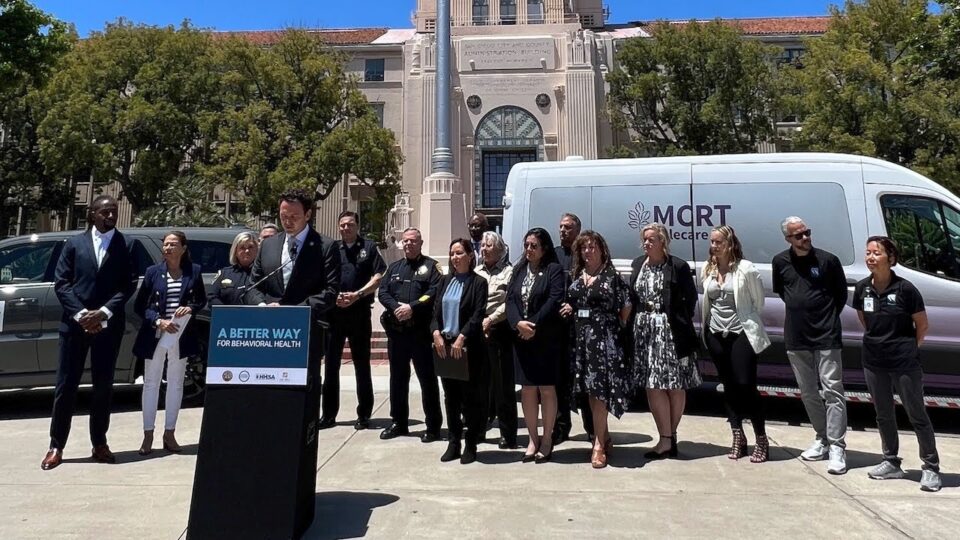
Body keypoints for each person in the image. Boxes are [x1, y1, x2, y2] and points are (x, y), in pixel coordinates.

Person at [42, 195, 136, 470]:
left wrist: (104, 312)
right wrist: (82, 315)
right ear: (92, 213)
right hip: (74, 326)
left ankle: (99, 443)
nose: (111, 216)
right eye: (105, 211)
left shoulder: (127, 244)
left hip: (108, 326)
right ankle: (56, 445)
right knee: (66, 386)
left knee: (103, 386)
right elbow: (62, 283)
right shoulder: (74, 244)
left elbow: (128, 285)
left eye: (114, 212)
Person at [853, 236, 941, 492]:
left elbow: (922, 326)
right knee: (883, 414)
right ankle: (891, 461)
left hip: (904, 362)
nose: (871, 257)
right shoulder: (862, 288)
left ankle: (931, 467)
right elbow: (865, 321)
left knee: (917, 414)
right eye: (868, 252)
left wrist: (909, 350)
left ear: (891, 259)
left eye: (876, 253)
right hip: (873, 361)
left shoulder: (906, 289)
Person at [247, 188, 340, 405]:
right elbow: (253, 285)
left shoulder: (325, 246)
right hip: (268, 333)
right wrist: (261, 305)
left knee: (303, 397)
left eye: (294, 217)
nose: (287, 222)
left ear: (308, 215)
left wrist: (294, 311)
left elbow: (330, 291)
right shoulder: (268, 245)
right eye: (283, 216)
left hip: (304, 331)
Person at [772, 217, 849, 475]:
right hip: (796, 336)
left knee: (832, 390)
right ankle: (822, 438)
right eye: (798, 235)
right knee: (807, 391)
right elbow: (783, 292)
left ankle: (837, 446)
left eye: (807, 233)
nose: (805, 238)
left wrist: (824, 317)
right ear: (788, 239)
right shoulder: (780, 262)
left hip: (826, 334)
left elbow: (840, 295)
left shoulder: (828, 261)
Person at [701, 225, 772, 463]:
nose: (714, 246)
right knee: (728, 386)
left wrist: (743, 322)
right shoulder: (708, 269)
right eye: (712, 242)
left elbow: (757, 302)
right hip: (715, 333)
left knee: (745, 385)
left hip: (741, 332)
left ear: (730, 244)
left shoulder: (746, 269)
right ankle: (737, 435)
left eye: (718, 242)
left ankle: (761, 437)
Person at [132, 231, 207, 455]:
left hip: (181, 334)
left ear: (183, 248)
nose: (168, 248)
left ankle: (170, 433)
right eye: (166, 244)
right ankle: (148, 434)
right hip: (156, 334)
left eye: (173, 244)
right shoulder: (152, 272)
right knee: (151, 382)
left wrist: (191, 308)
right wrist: (158, 321)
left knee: (175, 383)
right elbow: (140, 306)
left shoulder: (194, 271)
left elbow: (200, 300)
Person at [631, 223, 701, 461]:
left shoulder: (677, 266)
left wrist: (676, 322)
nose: (647, 244)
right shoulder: (638, 264)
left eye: (651, 239)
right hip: (644, 330)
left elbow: (690, 300)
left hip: (670, 332)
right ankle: (664, 437)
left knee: (674, 385)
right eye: (645, 240)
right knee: (652, 384)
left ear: (663, 241)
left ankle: (670, 436)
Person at [564, 231, 632, 468]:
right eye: (584, 248)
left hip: (603, 341)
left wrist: (607, 325)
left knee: (599, 393)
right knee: (589, 394)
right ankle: (603, 436)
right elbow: (573, 302)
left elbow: (625, 308)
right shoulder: (576, 275)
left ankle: (598, 445)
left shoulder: (612, 276)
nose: (588, 251)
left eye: (592, 247)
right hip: (581, 342)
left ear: (602, 250)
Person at [320, 211, 387, 431]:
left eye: (350, 224)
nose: (345, 228)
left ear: (357, 226)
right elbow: (322, 278)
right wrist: (335, 296)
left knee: (361, 366)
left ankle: (364, 414)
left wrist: (357, 294)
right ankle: (328, 415)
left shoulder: (368, 247)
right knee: (330, 366)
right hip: (334, 314)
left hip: (358, 314)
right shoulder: (332, 249)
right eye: (342, 225)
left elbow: (379, 276)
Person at [377, 227, 444, 442]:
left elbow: (433, 293)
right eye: (405, 241)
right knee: (397, 379)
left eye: (413, 241)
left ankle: (433, 425)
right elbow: (383, 292)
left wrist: (412, 307)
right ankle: (399, 422)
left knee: (427, 380)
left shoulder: (432, 267)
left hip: (420, 333)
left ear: (421, 243)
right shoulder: (394, 267)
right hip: (397, 334)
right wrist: (396, 307)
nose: (408, 244)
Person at [506, 227, 565, 463]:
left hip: (544, 339)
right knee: (528, 390)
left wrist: (532, 324)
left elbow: (554, 299)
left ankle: (547, 439)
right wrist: (517, 323)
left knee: (547, 389)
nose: (529, 249)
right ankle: (532, 439)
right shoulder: (519, 269)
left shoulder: (554, 270)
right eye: (526, 245)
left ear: (544, 249)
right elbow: (510, 298)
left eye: (534, 246)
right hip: (522, 340)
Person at [431, 239, 489, 464]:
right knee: (451, 397)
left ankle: (471, 443)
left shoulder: (478, 283)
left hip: (467, 347)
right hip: (445, 347)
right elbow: (435, 311)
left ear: (470, 256)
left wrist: (462, 337)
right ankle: (453, 442)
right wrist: (435, 332)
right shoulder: (444, 281)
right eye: (452, 253)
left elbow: (478, 314)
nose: (455, 257)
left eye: (459, 253)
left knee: (470, 398)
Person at [553, 212, 593, 445]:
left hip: (582, 330)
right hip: (558, 330)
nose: (563, 231)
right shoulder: (554, 256)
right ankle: (561, 427)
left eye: (568, 227)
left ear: (577, 230)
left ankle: (591, 428)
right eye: (560, 227)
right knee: (560, 381)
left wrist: (575, 306)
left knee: (584, 382)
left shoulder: (586, 255)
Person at [475, 231, 517, 449]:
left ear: (500, 249)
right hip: (478, 332)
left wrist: (491, 319)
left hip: (499, 331)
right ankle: (479, 429)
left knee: (503, 387)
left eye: (489, 246)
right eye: (483, 246)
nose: (484, 249)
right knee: (480, 386)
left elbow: (509, 302)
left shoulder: (509, 273)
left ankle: (508, 434)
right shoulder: (476, 272)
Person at [208, 231, 259, 307]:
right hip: (228, 317)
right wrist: (226, 311)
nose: (247, 251)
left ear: (257, 250)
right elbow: (212, 297)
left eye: (250, 247)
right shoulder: (224, 273)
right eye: (242, 248)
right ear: (235, 251)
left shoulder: (262, 273)